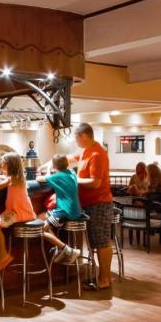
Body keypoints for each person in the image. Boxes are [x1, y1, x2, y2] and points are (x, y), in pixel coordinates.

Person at [39, 122, 113, 290]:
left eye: (76, 138)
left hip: (99, 203)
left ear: (84, 136)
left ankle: (104, 279)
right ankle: (104, 277)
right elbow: (68, 159)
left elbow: (95, 182)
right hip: (89, 203)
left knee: (101, 241)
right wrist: (48, 164)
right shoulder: (87, 151)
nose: (75, 141)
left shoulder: (97, 154)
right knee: (97, 241)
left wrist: (72, 180)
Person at [0, 153, 80, 270]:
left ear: (9, 165)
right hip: (28, 213)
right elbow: (6, 179)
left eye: (3, 163)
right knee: (41, 226)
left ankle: (3, 254)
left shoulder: (11, 179)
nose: (1, 165)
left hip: (18, 214)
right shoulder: (18, 177)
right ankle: (64, 248)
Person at [35, 154, 82, 263]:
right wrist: (48, 166)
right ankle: (60, 248)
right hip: (76, 210)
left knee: (39, 229)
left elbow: (39, 178)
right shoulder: (72, 172)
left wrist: (47, 168)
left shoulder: (57, 177)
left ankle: (68, 250)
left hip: (65, 212)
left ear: (54, 166)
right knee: (40, 217)